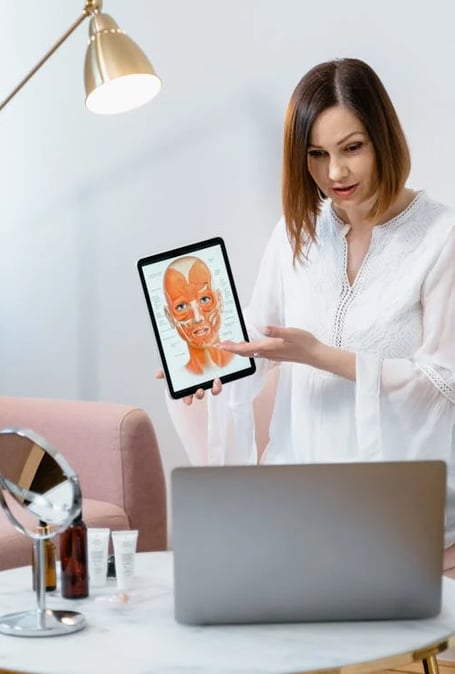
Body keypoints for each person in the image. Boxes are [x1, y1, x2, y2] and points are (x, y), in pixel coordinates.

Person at [162, 58, 455, 573]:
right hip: (300, 489)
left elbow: (443, 381)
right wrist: (212, 363)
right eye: (316, 154)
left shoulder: (440, 237)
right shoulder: (297, 232)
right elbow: (265, 335)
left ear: (384, 138)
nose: (334, 173)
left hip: (397, 500)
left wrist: (321, 355)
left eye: (352, 148)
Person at [163, 255, 233, 375]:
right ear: (170, 317)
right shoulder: (180, 379)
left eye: (205, 299)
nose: (198, 318)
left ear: (220, 301)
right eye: (181, 307)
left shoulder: (249, 356)